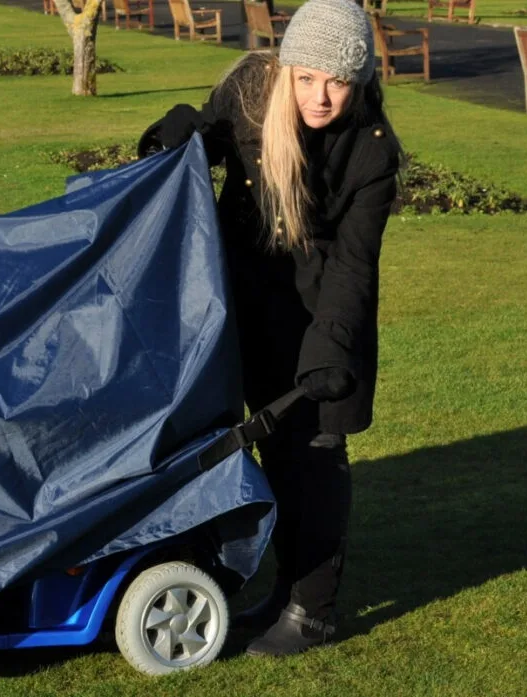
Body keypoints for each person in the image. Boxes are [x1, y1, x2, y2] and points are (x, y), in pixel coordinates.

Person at [138, 0, 402, 657]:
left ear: (361, 80)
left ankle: (312, 610)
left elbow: (352, 265)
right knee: (248, 451)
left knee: (311, 459)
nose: (320, 95)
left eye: (338, 81)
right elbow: (190, 152)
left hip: (319, 318)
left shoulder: (372, 150)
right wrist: (168, 135)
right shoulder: (250, 93)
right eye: (307, 77)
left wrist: (330, 348)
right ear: (287, 69)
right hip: (241, 303)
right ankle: (278, 584)